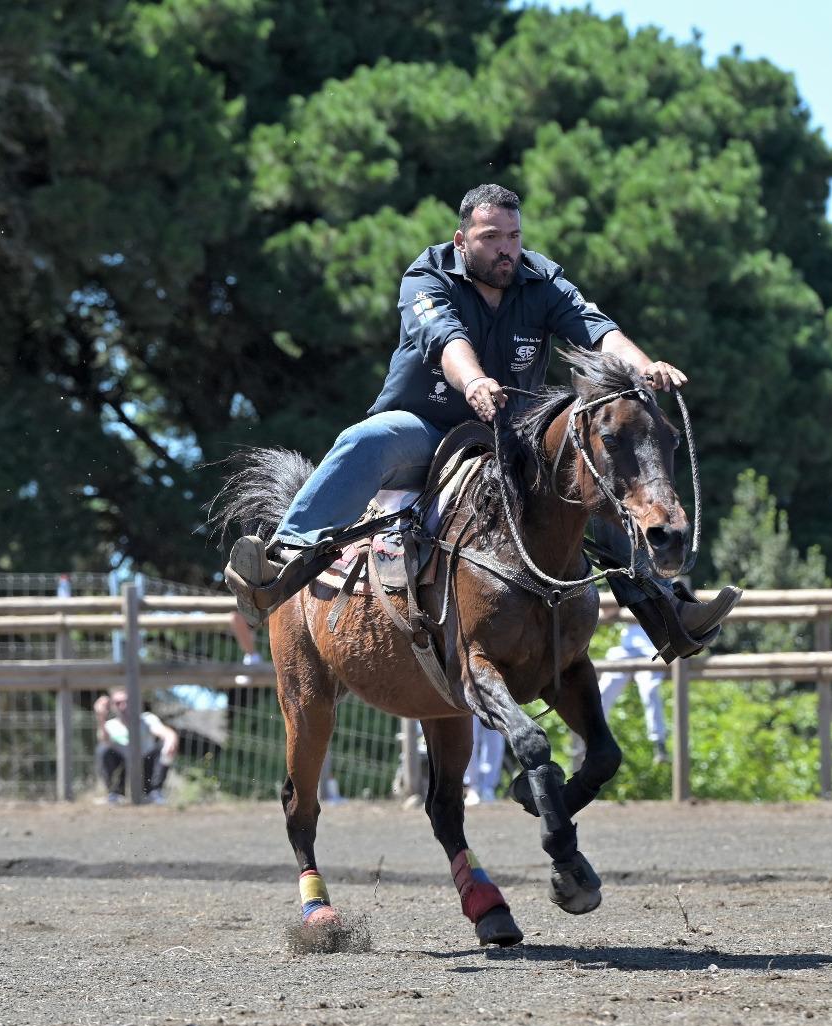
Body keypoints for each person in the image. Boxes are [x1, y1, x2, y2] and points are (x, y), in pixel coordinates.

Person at [224, 183, 738, 654]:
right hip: (427, 430)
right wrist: (472, 382)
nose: (505, 249)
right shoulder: (425, 277)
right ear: (462, 238)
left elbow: (595, 329)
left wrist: (646, 368)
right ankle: (278, 564)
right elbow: (446, 338)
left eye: (513, 236)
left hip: (514, 442)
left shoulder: (542, 279)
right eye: (491, 237)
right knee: (367, 439)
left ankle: (669, 611)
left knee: (595, 476)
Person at [597, 617, 670, 764]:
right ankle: (597, 738)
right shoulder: (626, 592)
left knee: (650, 689)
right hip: (626, 650)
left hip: (653, 650)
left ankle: (659, 743)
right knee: (603, 691)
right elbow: (608, 612)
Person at [93, 689, 178, 803]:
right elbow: (103, 740)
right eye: (118, 703)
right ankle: (115, 793)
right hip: (123, 767)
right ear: (112, 706)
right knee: (103, 750)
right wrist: (101, 716)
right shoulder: (110, 725)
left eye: (127, 701)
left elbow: (166, 732)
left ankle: (154, 792)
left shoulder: (147, 719)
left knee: (164, 745)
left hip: (147, 764)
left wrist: (171, 739)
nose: (123, 706)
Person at [464, 716, 507, 805]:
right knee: (469, 739)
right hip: (468, 702)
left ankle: (487, 788)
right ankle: (472, 788)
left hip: (495, 702)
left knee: (495, 743)